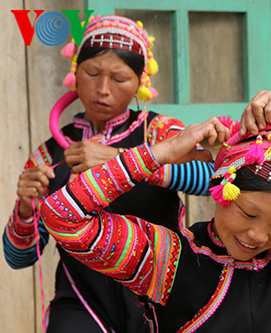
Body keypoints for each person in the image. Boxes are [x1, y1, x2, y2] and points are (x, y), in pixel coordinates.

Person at [39, 90, 271, 332]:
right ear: (221, 190)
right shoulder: (165, 260)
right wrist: (162, 153)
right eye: (249, 214)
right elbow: (60, 216)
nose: (259, 236)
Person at [3, 15, 213, 333]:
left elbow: (213, 179)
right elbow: (18, 259)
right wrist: (25, 209)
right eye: (92, 73)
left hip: (161, 290)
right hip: (82, 302)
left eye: (119, 79)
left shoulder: (159, 132)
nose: (103, 89)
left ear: (141, 81)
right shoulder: (49, 154)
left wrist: (119, 159)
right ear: (75, 73)